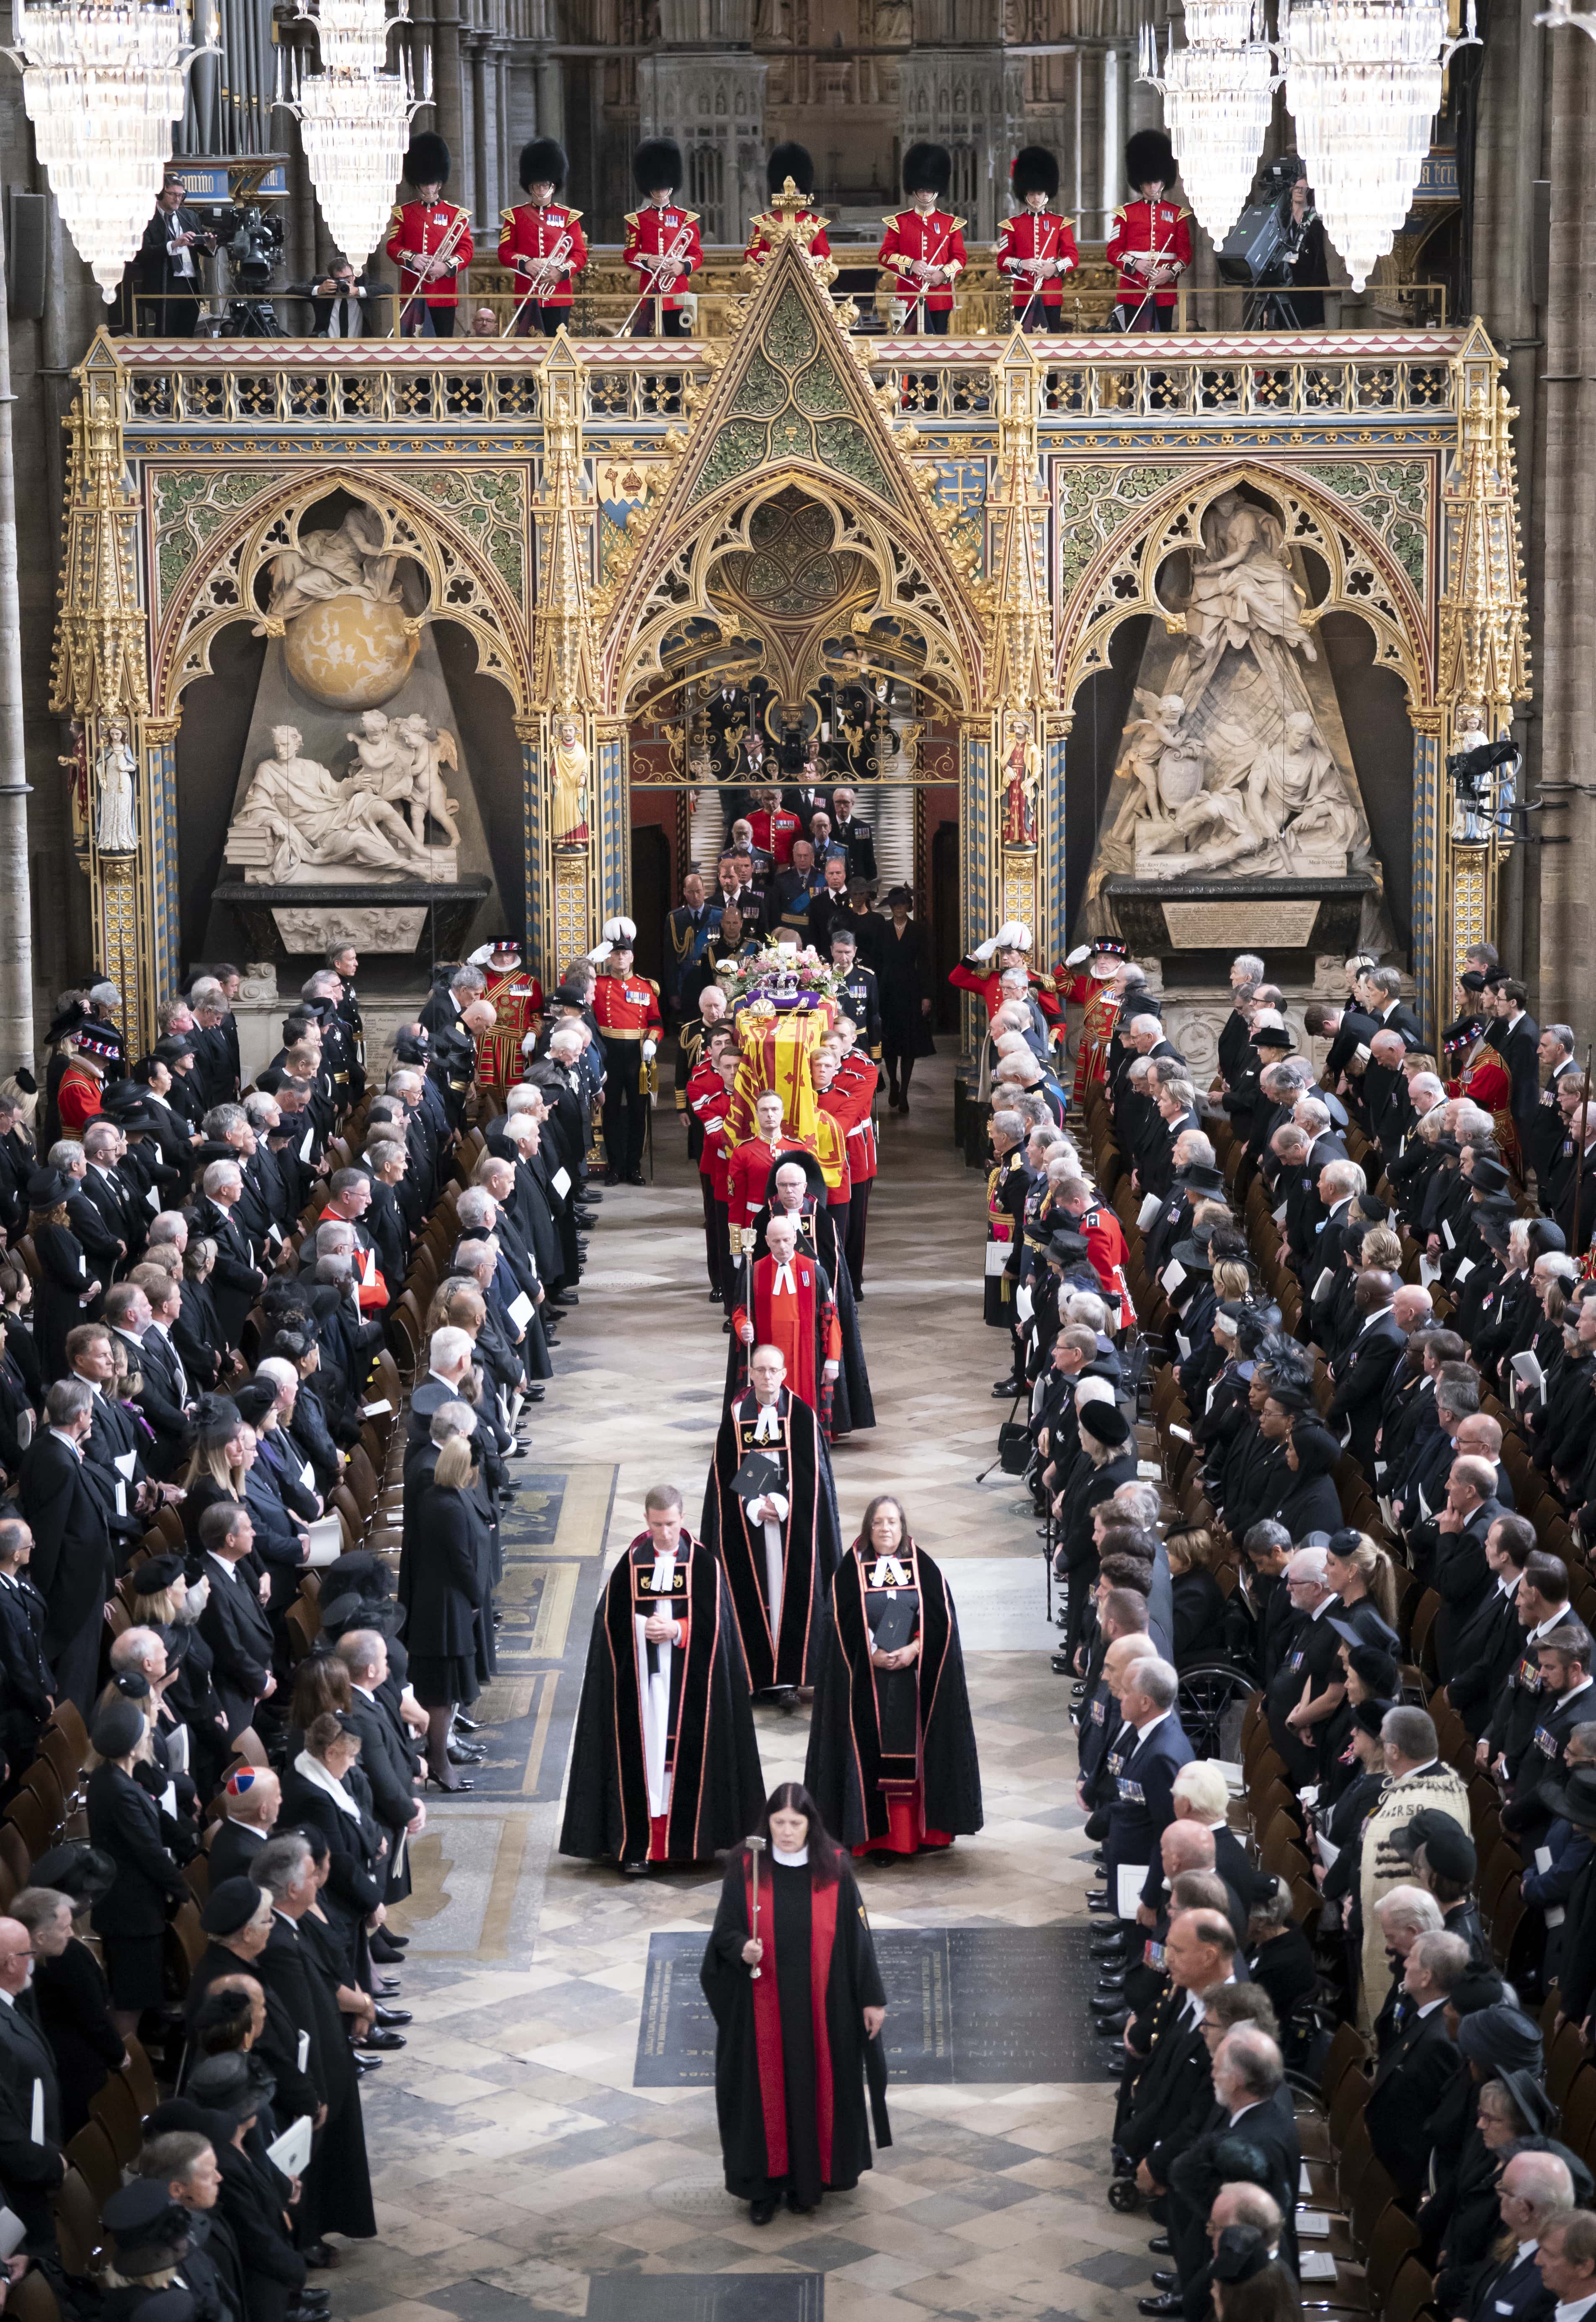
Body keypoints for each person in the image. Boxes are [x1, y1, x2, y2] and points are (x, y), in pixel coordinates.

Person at [700, 1784, 889, 2224]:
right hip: (760, 2009)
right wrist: (740, 1949)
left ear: (811, 1824)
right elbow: (724, 1932)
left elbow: (858, 1939)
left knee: (812, 2091)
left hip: (822, 2010)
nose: (786, 1833)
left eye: (795, 1823)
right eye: (778, 1823)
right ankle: (762, 2189)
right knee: (760, 2098)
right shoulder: (745, 1867)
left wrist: (872, 1999)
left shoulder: (835, 1868)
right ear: (767, 1825)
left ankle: (808, 2184)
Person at [560, 1484, 763, 1873]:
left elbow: (718, 1629)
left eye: (671, 1524)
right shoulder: (633, 1562)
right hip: (643, 1687)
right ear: (646, 1520)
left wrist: (678, 1630)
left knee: (683, 1758)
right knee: (647, 1758)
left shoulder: (704, 1566)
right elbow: (609, 1623)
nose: (665, 1533)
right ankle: (642, 1845)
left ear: (683, 1519)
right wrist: (642, 1629)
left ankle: (689, 1843)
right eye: (657, 1525)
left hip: (690, 1688)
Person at [804, 1494, 982, 1856]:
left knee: (914, 1758)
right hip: (866, 1683)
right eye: (878, 1523)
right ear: (868, 1528)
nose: (885, 1529)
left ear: (902, 1528)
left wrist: (914, 1650)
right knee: (872, 1755)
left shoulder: (923, 1567)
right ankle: (879, 1837)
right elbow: (836, 1621)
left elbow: (941, 1620)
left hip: (912, 1681)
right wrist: (870, 1654)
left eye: (892, 1522)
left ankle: (918, 1835)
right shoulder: (850, 1569)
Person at [702, 1343, 843, 1694]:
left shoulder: (801, 1415)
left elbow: (814, 1477)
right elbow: (725, 1475)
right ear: (749, 1374)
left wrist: (780, 1505)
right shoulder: (737, 1416)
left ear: (783, 1374)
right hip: (750, 1522)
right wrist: (753, 1506)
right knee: (755, 1589)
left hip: (791, 1523)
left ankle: (792, 1674)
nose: (767, 1377)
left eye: (773, 1371)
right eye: (760, 1370)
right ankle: (757, 1676)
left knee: (790, 1591)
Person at [405, 1427, 488, 1790]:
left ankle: (439, 1758)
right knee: (442, 1692)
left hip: (436, 1603)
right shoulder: (448, 1506)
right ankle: (439, 1763)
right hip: (445, 1610)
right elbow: (462, 1562)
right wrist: (476, 1597)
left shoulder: (438, 1497)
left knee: (445, 1691)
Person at [13, 1870, 125, 2137]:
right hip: (71, 2069)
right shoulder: (68, 1958)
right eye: (64, 1928)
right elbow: (94, 2017)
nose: (72, 1933)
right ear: (40, 1937)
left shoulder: (34, 1956)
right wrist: (118, 2054)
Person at [385, 133, 473, 338]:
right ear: (417, 183)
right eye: (424, 184)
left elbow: (467, 250)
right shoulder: (404, 213)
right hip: (413, 292)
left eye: (432, 183)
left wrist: (446, 267)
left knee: (442, 348)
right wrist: (412, 258)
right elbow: (393, 246)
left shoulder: (456, 215)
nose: (428, 188)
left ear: (439, 183)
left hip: (444, 294)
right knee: (411, 349)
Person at [498, 138, 588, 336]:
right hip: (527, 294)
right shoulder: (515, 217)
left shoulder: (569, 217)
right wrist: (526, 264)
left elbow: (580, 254)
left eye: (545, 185)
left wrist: (561, 272)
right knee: (528, 351)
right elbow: (504, 252)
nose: (541, 190)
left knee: (558, 349)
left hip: (559, 295)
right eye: (537, 186)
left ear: (553, 187)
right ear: (530, 187)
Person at [1106, 131, 1191, 332]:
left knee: (1163, 341)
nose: (1152, 187)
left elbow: (1185, 254)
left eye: (1156, 182)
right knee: (1135, 342)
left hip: (1165, 289)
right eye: (1148, 182)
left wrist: (1169, 273)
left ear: (1163, 182)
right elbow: (1113, 251)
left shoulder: (1177, 214)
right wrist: (1136, 264)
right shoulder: (1125, 214)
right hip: (1133, 286)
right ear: (1140, 182)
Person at [878, 143, 966, 335]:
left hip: (940, 297)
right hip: (909, 296)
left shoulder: (950, 223)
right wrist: (910, 265)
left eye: (929, 190)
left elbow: (960, 258)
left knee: (939, 347)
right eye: (921, 191)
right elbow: (885, 255)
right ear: (913, 191)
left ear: (937, 191)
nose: (925, 195)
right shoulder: (899, 222)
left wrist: (942, 275)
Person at [623, 139, 702, 337]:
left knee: (680, 346)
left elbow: (696, 254)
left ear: (671, 187)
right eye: (656, 188)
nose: (660, 192)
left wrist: (682, 267)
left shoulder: (686, 219)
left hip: (678, 293)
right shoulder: (638, 220)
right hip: (651, 292)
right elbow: (629, 254)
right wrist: (647, 260)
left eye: (663, 187)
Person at [997, 145, 1078, 328]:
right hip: (1024, 294)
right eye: (1032, 193)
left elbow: (1073, 257)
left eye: (1039, 193)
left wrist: (1054, 267)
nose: (1035, 198)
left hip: (1051, 294)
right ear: (1025, 193)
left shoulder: (1060, 223)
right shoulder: (1012, 225)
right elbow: (1002, 260)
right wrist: (1021, 264)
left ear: (1046, 193)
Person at [138, 176, 215, 334]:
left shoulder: (190, 216)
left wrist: (211, 246)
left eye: (181, 195)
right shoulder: (147, 218)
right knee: (166, 334)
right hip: (165, 284)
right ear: (160, 194)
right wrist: (173, 245)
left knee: (187, 334)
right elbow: (143, 252)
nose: (178, 199)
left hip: (191, 284)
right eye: (172, 194)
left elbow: (200, 247)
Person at [745, 143, 833, 272]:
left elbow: (824, 254)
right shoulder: (763, 222)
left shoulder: (815, 223)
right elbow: (751, 252)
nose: (790, 197)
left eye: (795, 194)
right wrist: (770, 260)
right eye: (785, 192)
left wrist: (809, 263)